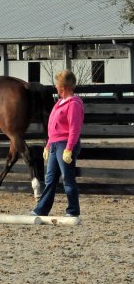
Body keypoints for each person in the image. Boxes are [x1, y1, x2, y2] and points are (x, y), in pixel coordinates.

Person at [32, 69, 84, 218]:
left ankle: (73, 211)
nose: (55, 87)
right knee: (50, 179)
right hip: (55, 143)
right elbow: (52, 126)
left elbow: (74, 128)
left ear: (63, 87)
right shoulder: (60, 103)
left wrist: (69, 148)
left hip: (65, 144)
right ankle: (41, 209)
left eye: (57, 84)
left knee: (68, 178)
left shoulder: (73, 105)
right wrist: (48, 145)